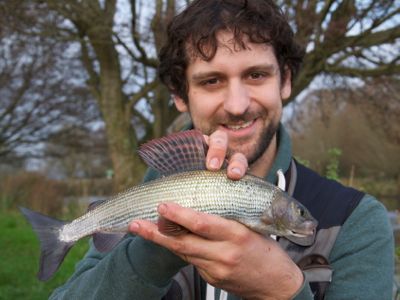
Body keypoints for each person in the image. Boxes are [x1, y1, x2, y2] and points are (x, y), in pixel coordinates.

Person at [50, 0, 394, 299]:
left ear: (285, 80)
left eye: (256, 75)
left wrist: (285, 292)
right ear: (180, 96)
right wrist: (156, 249)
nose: (237, 105)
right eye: (211, 81)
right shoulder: (138, 204)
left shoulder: (355, 221)